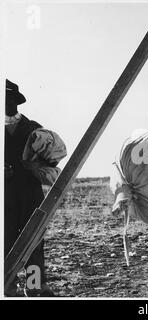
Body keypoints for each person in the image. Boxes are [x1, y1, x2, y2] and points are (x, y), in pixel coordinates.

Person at [5, 79, 67, 297]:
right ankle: (7, 288)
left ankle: (34, 286)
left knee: (33, 242)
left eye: (7, 98)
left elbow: (52, 158)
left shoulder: (33, 128)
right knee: (5, 242)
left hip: (30, 193)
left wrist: (34, 167)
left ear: (14, 101)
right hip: (5, 197)